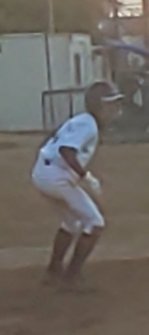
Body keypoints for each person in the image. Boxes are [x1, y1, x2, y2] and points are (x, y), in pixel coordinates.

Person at [31, 80, 123, 287]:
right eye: (110, 104)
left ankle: (53, 271)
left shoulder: (83, 120)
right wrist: (86, 177)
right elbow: (66, 150)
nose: (114, 110)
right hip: (56, 177)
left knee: (72, 222)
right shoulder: (88, 124)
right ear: (100, 105)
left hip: (44, 173)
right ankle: (71, 277)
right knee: (95, 222)